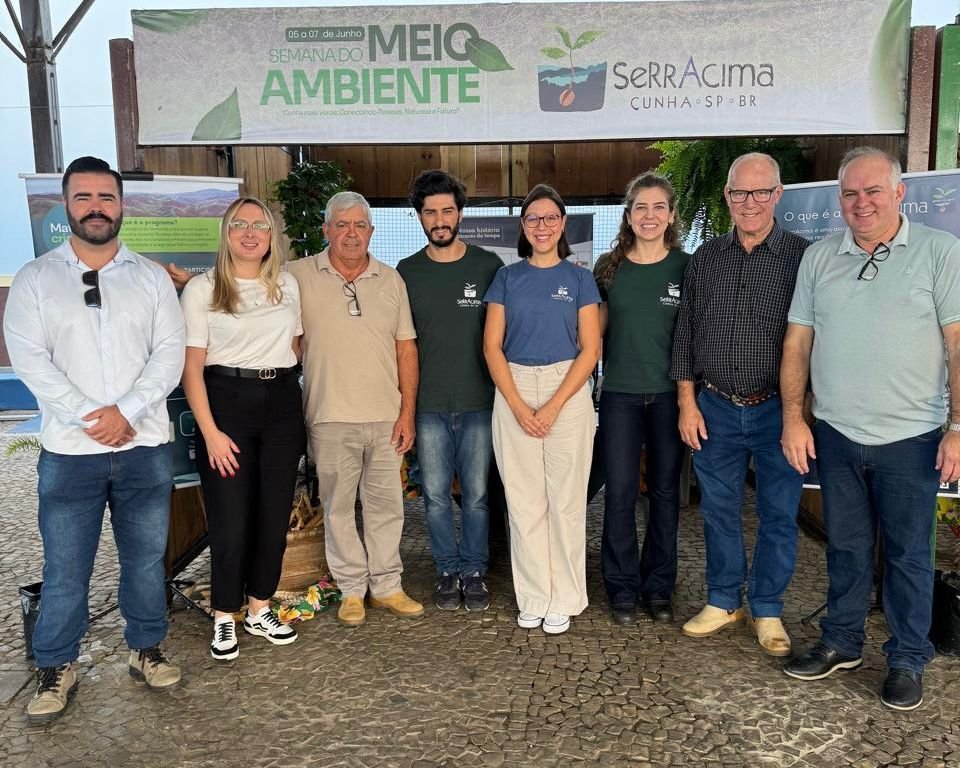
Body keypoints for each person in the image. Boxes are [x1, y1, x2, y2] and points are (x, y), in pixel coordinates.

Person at [3, 156, 185, 724]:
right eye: (83, 197)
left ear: (121, 205)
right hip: (71, 453)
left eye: (106, 197)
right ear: (66, 205)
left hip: (143, 447)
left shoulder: (151, 278)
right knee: (66, 566)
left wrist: (125, 412)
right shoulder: (36, 279)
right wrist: (92, 416)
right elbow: (30, 361)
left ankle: (146, 648)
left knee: (145, 561)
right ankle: (56, 663)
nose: (96, 207)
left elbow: (169, 355)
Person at [780, 147, 960, 711]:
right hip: (836, 433)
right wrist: (793, 417)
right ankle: (842, 642)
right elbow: (798, 343)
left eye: (873, 191)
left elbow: (957, 343)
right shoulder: (819, 258)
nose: (862, 203)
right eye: (851, 193)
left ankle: (907, 658)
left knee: (908, 555)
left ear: (899, 193)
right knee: (847, 548)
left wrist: (959, 425)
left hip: (913, 438)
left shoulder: (940, 251)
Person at [670, 152, 809, 656]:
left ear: (778, 195)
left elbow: (816, 338)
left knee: (779, 512)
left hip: (779, 411)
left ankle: (767, 608)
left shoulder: (803, 258)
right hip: (715, 408)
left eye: (760, 192)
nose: (749, 202)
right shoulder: (705, 258)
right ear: (727, 196)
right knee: (718, 510)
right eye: (739, 192)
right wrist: (687, 403)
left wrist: (802, 414)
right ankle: (723, 600)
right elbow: (685, 333)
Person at [287, 191, 423, 628]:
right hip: (329, 415)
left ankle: (386, 586)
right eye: (342, 225)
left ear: (371, 231)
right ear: (326, 229)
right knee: (338, 508)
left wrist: (407, 412)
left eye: (359, 225)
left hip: (385, 417)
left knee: (387, 506)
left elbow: (406, 349)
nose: (351, 234)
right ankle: (351, 590)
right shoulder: (296, 276)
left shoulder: (391, 279)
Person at [179, 197, 304, 660]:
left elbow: (296, 345)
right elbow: (191, 369)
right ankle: (224, 615)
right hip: (226, 404)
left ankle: (259, 608)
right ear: (226, 233)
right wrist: (211, 433)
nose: (250, 233)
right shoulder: (203, 289)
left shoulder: (287, 284)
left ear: (271, 235)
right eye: (240, 224)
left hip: (282, 404)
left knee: (273, 516)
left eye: (260, 225)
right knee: (230, 521)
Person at [483, 184, 601, 635]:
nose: (542, 226)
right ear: (523, 226)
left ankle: (565, 598)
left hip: (566, 388)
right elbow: (492, 347)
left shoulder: (580, 280)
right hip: (513, 386)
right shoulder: (506, 278)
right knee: (524, 501)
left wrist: (553, 405)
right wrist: (517, 405)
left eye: (551, 218)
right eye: (533, 218)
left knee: (565, 501)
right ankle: (534, 597)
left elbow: (590, 349)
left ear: (563, 224)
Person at [397, 170, 503, 612]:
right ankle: (446, 570)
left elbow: (505, 336)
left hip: (480, 403)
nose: (439, 220)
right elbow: (401, 345)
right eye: (430, 212)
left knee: (477, 496)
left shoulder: (488, 266)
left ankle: (474, 570)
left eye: (446, 210)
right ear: (419, 217)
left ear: (460, 214)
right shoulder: (406, 273)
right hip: (428, 407)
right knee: (436, 496)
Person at [594, 172, 691, 626]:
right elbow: (592, 334)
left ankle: (658, 587)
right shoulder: (608, 268)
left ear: (670, 215)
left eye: (658, 207)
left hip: (672, 396)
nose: (649, 216)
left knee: (666, 494)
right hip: (620, 396)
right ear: (628, 216)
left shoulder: (687, 267)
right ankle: (621, 587)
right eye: (640, 208)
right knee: (619, 492)